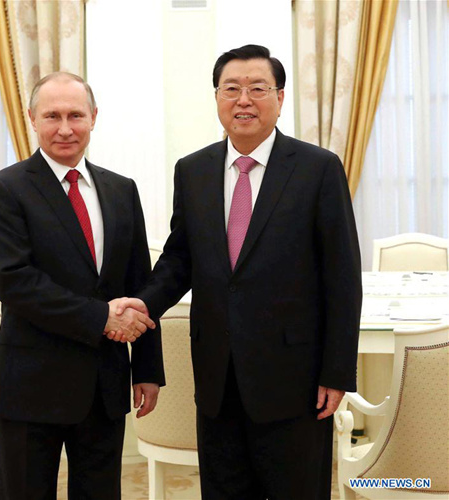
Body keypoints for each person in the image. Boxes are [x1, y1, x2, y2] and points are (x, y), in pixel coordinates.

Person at [113, 45, 362, 499]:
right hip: (217, 377)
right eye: (231, 89)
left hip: (296, 378)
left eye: (257, 88)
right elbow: (179, 259)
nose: (243, 99)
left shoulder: (318, 169)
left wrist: (338, 370)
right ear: (216, 98)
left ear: (280, 98)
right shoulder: (193, 171)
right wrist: (144, 302)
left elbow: (343, 278)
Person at [0, 72, 165, 500]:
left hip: (105, 384)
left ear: (94, 117)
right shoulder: (2, 190)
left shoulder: (121, 189)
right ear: (32, 118)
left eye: (76, 115)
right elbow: (15, 282)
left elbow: (140, 282)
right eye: (52, 116)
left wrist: (148, 368)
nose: (65, 128)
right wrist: (101, 317)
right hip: (29, 385)